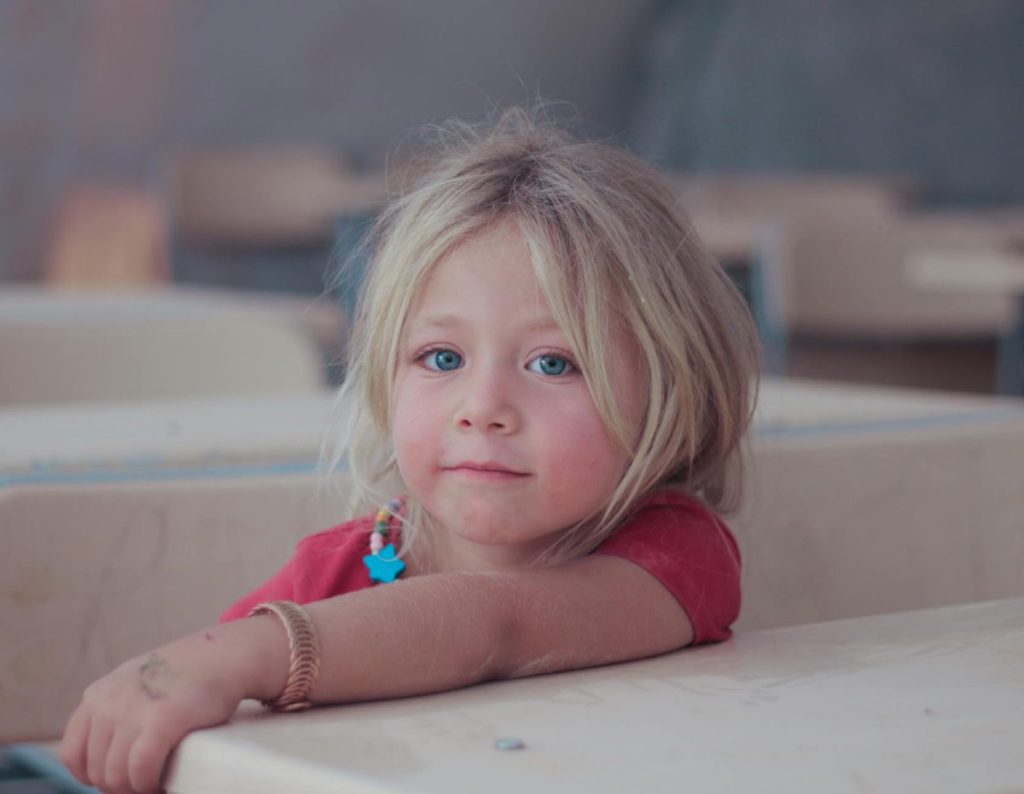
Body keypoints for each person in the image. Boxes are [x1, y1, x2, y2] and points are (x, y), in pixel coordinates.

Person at [60, 108, 759, 794]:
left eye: (554, 364)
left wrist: (242, 656)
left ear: (672, 388)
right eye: (441, 356)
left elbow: (497, 624)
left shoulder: (678, 554)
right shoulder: (332, 574)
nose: (482, 408)